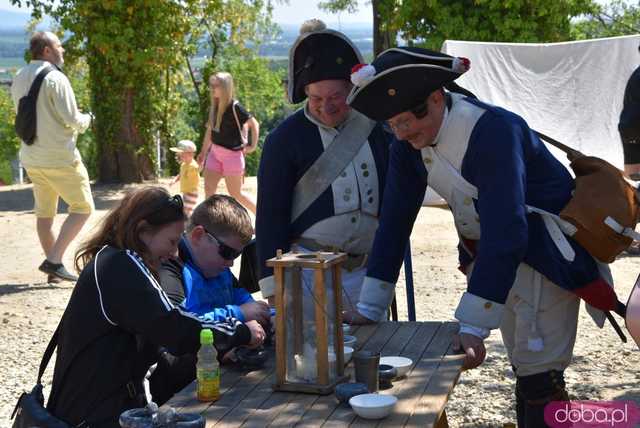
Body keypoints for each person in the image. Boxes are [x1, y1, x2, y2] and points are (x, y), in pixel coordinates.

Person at [344, 47, 620, 427]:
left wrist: (473, 324)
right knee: (527, 372)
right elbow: (394, 221)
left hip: (549, 256)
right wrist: (370, 305)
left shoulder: (493, 130)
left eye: (408, 120)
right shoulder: (407, 143)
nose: (403, 133)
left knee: (540, 375)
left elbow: (508, 229)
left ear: (437, 98)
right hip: (499, 262)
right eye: (394, 124)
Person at [45, 187, 254, 427]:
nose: (175, 252)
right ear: (143, 230)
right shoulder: (122, 266)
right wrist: (240, 332)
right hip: (90, 416)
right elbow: (176, 328)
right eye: (172, 241)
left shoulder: (114, 260)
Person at [255, 19, 393, 311]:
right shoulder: (284, 140)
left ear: (351, 90)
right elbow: (270, 216)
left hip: (367, 271)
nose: (326, 106)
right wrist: (272, 287)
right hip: (306, 273)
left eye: (336, 97)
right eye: (316, 97)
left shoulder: (379, 129)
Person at [149, 194, 270, 404]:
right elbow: (180, 328)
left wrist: (271, 317)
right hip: (181, 392)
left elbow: (252, 306)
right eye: (227, 252)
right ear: (198, 236)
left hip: (219, 378)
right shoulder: (171, 269)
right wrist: (239, 314)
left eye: (237, 255)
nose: (231, 263)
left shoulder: (219, 268)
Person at [10, 31, 93, 283]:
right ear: (47, 50)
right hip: (60, 158)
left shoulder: (19, 75)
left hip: (32, 157)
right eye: (59, 45)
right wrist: (88, 118)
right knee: (83, 208)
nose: (63, 50)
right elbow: (72, 120)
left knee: (45, 214)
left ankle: (54, 271)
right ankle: (54, 261)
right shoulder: (56, 78)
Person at [197, 72, 259, 214]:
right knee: (209, 191)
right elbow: (209, 132)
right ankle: (209, 223)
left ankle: (263, 217)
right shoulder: (213, 106)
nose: (212, 88)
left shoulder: (235, 107)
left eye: (216, 85)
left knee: (236, 194)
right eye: (211, 85)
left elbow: (254, 124)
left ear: (225, 87)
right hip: (215, 153)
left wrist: (252, 146)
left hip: (233, 155)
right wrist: (203, 152)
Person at [618, 45, 640, 255]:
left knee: (635, 196)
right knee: (634, 197)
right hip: (635, 142)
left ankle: (623, 234)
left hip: (633, 140)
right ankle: (622, 235)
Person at [170, 139, 200, 216]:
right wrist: (174, 180)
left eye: (181, 155)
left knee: (187, 210)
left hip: (192, 192)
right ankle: (187, 223)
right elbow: (180, 174)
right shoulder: (184, 165)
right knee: (185, 209)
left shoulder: (193, 166)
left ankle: (189, 224)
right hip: (186, 192)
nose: (179, 157)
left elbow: (198, 169)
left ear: (190, 154)